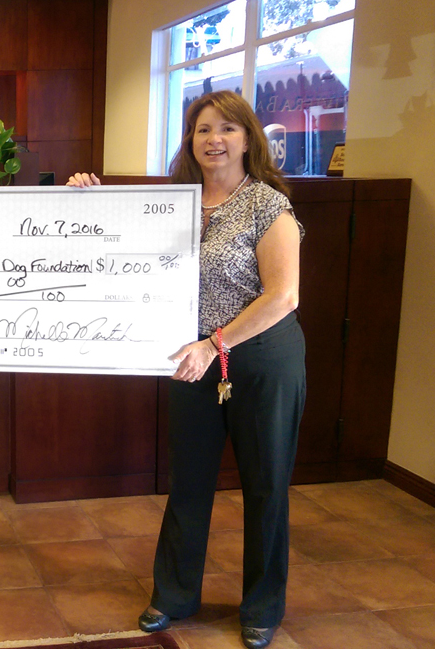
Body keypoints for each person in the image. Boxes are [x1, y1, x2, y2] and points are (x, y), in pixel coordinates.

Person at [68, 90, 305, 649]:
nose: (213, 139)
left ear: (249, 138)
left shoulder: (268, 205)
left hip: (262, 358)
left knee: (267, 485)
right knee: (189, 483)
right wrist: (92, 204)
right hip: (192, 360)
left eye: (226, 128)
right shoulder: (175, 201)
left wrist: (215, 343)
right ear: (190, 140)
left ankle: (263, 607)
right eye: (202, 129)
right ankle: (174, 595)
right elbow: (126, 249)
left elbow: (284, 296)